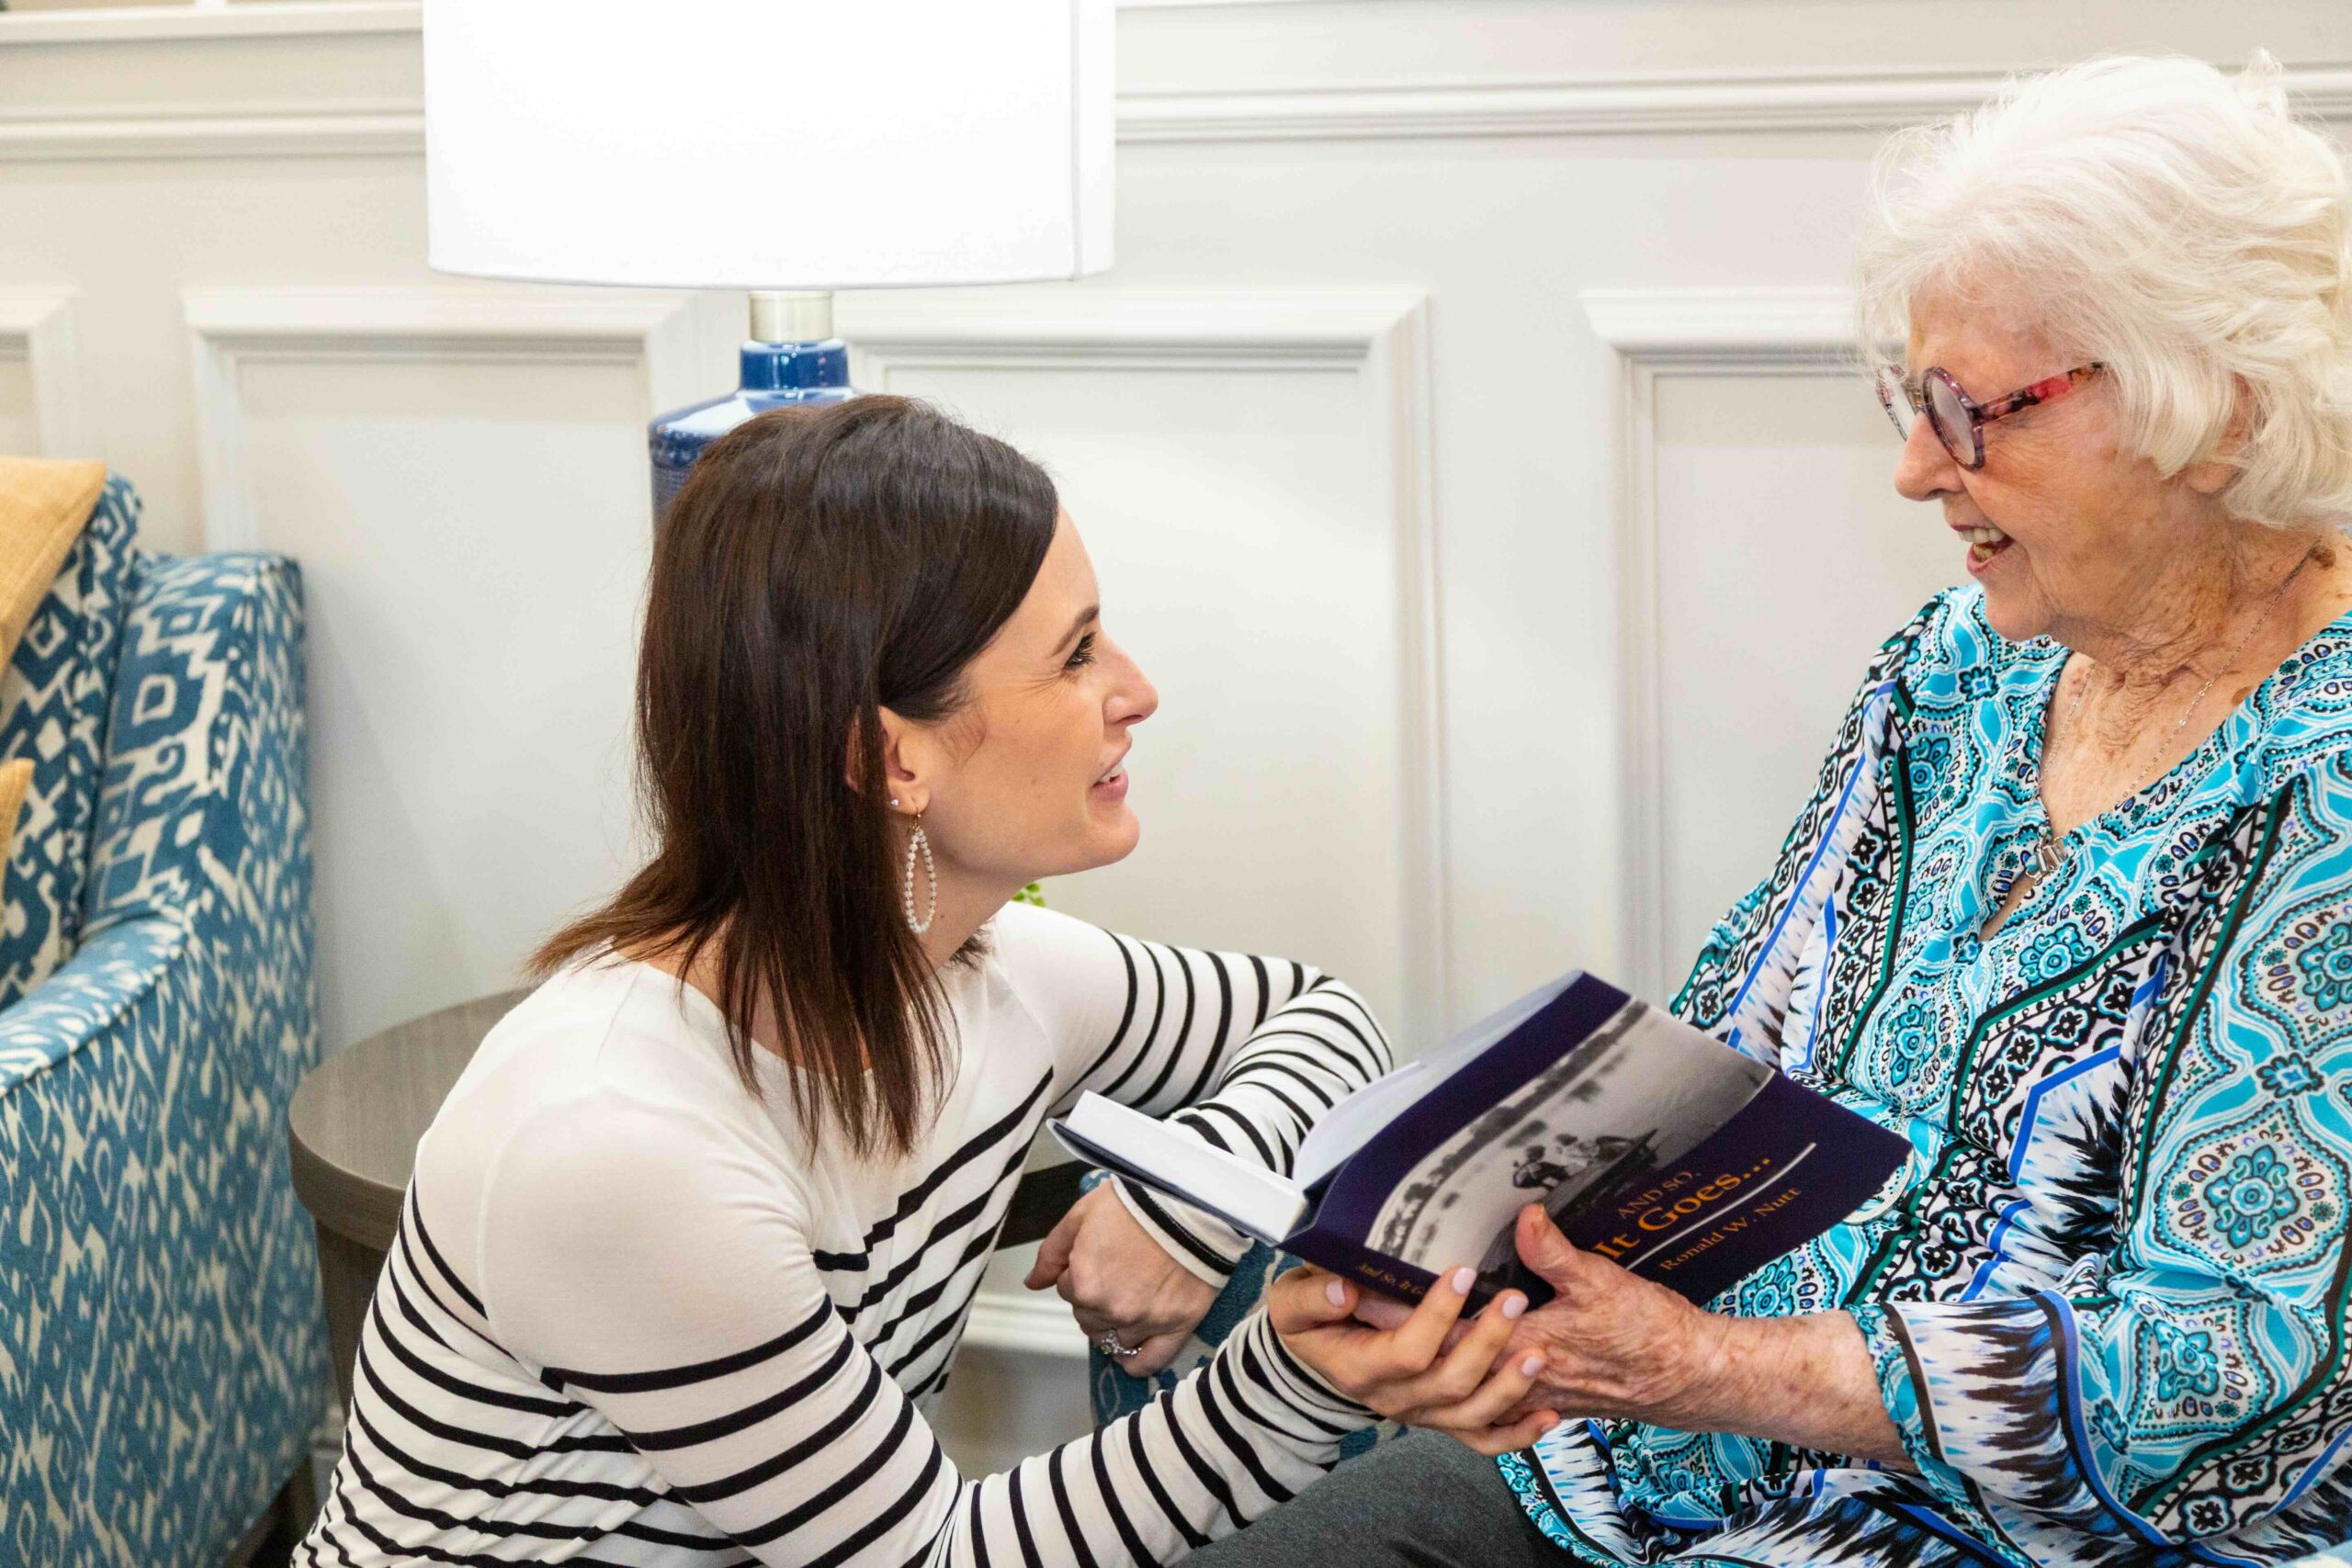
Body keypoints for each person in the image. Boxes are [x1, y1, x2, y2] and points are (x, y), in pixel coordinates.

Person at [1188, 51, 2352, 1567]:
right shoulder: (1958, 671)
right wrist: (1466, 1264)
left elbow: (2237, 1375)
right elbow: (1718, 1059)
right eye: (1908, 400)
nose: (1915, 470)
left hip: (2004, 1535)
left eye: (1969, 410)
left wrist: (1705, 1367)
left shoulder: (2326, 787)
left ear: (2218, 412)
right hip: (1646, 1455)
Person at [295, 396, 1561, 1565]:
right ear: (892, 758)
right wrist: (1297, 1380)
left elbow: (1315, 1016)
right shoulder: (621, 1147)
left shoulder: (989, 980)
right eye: (1075, 655)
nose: (1136, 692)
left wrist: (1185, 1209)